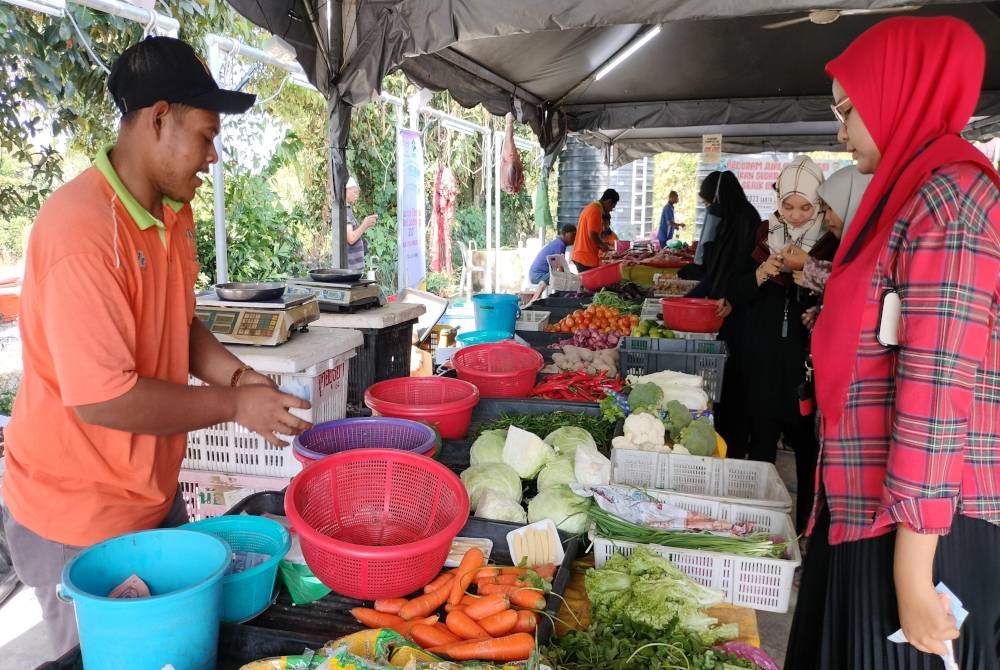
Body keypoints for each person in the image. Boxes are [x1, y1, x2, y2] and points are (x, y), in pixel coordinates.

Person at [0, 37, 312, 657]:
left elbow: (179, 322)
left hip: (149, 499)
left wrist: (237, 378)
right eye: (204, 135)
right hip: (75, 518)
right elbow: (103, 399)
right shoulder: (81, 232)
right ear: (159, 118)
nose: (213, 157)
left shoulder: (172, 213)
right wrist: (233, 409)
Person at [786, 17, 1000, 670]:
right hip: (875, 514)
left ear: (903, 94)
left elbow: (938, 391)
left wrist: (912, 575)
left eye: (849, 109)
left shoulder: (953, 201)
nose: (841, 129)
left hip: (924, 534)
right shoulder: (907, 195)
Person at [726, 155, 837, 533]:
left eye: (806, 206)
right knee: (760, 444)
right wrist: (761, 273)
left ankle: (805, 526)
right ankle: (753, 528)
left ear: (820, 203)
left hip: (806, 364)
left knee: (808, 449)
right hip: (762, 359)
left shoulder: (832, 241)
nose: (796, 215)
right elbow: (733, 294)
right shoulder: (762, 233)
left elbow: (839, 299)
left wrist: (805, 270)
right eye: (787, 206)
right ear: (776, 199)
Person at [685, 171, 760, 458]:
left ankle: (734, 445)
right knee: (727, 383)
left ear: (719, 197)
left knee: (735, 382)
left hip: (740, 315)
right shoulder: (732, 218)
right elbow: (715, 271)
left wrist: (718, 296)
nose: (708, 210)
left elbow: (735, 274)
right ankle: (727, 439)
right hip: (724, 309)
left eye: (708, 203)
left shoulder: (744, 221)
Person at [787, 166, 872, 310]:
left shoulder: (872, 246)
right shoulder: (847, 244)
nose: (826, 217)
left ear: (853, 203)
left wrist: (808, 265)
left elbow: (857, 289)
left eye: (831, 208)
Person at [678, 177, 722, 281]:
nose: (706, 206)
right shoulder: (715, 211)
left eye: (706, 202)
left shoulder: (715, 212)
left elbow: (708, 243)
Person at [571, 188, 618, 272]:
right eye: (612, 207)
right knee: (591, 284)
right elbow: (592, 234)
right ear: (609, 202)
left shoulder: (591, 208)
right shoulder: (595, 210)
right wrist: (603, 245)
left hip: (582, 255)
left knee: (587, 284)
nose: (611, 210)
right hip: (585, 257)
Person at [345, 176, 377, 274]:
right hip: (350, 270)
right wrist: (365, 224)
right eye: (354, 192)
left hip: (355, 269)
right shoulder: (344, 211)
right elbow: (351, 238)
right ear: (346, 191)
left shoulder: (348, 210)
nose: (356, 195)